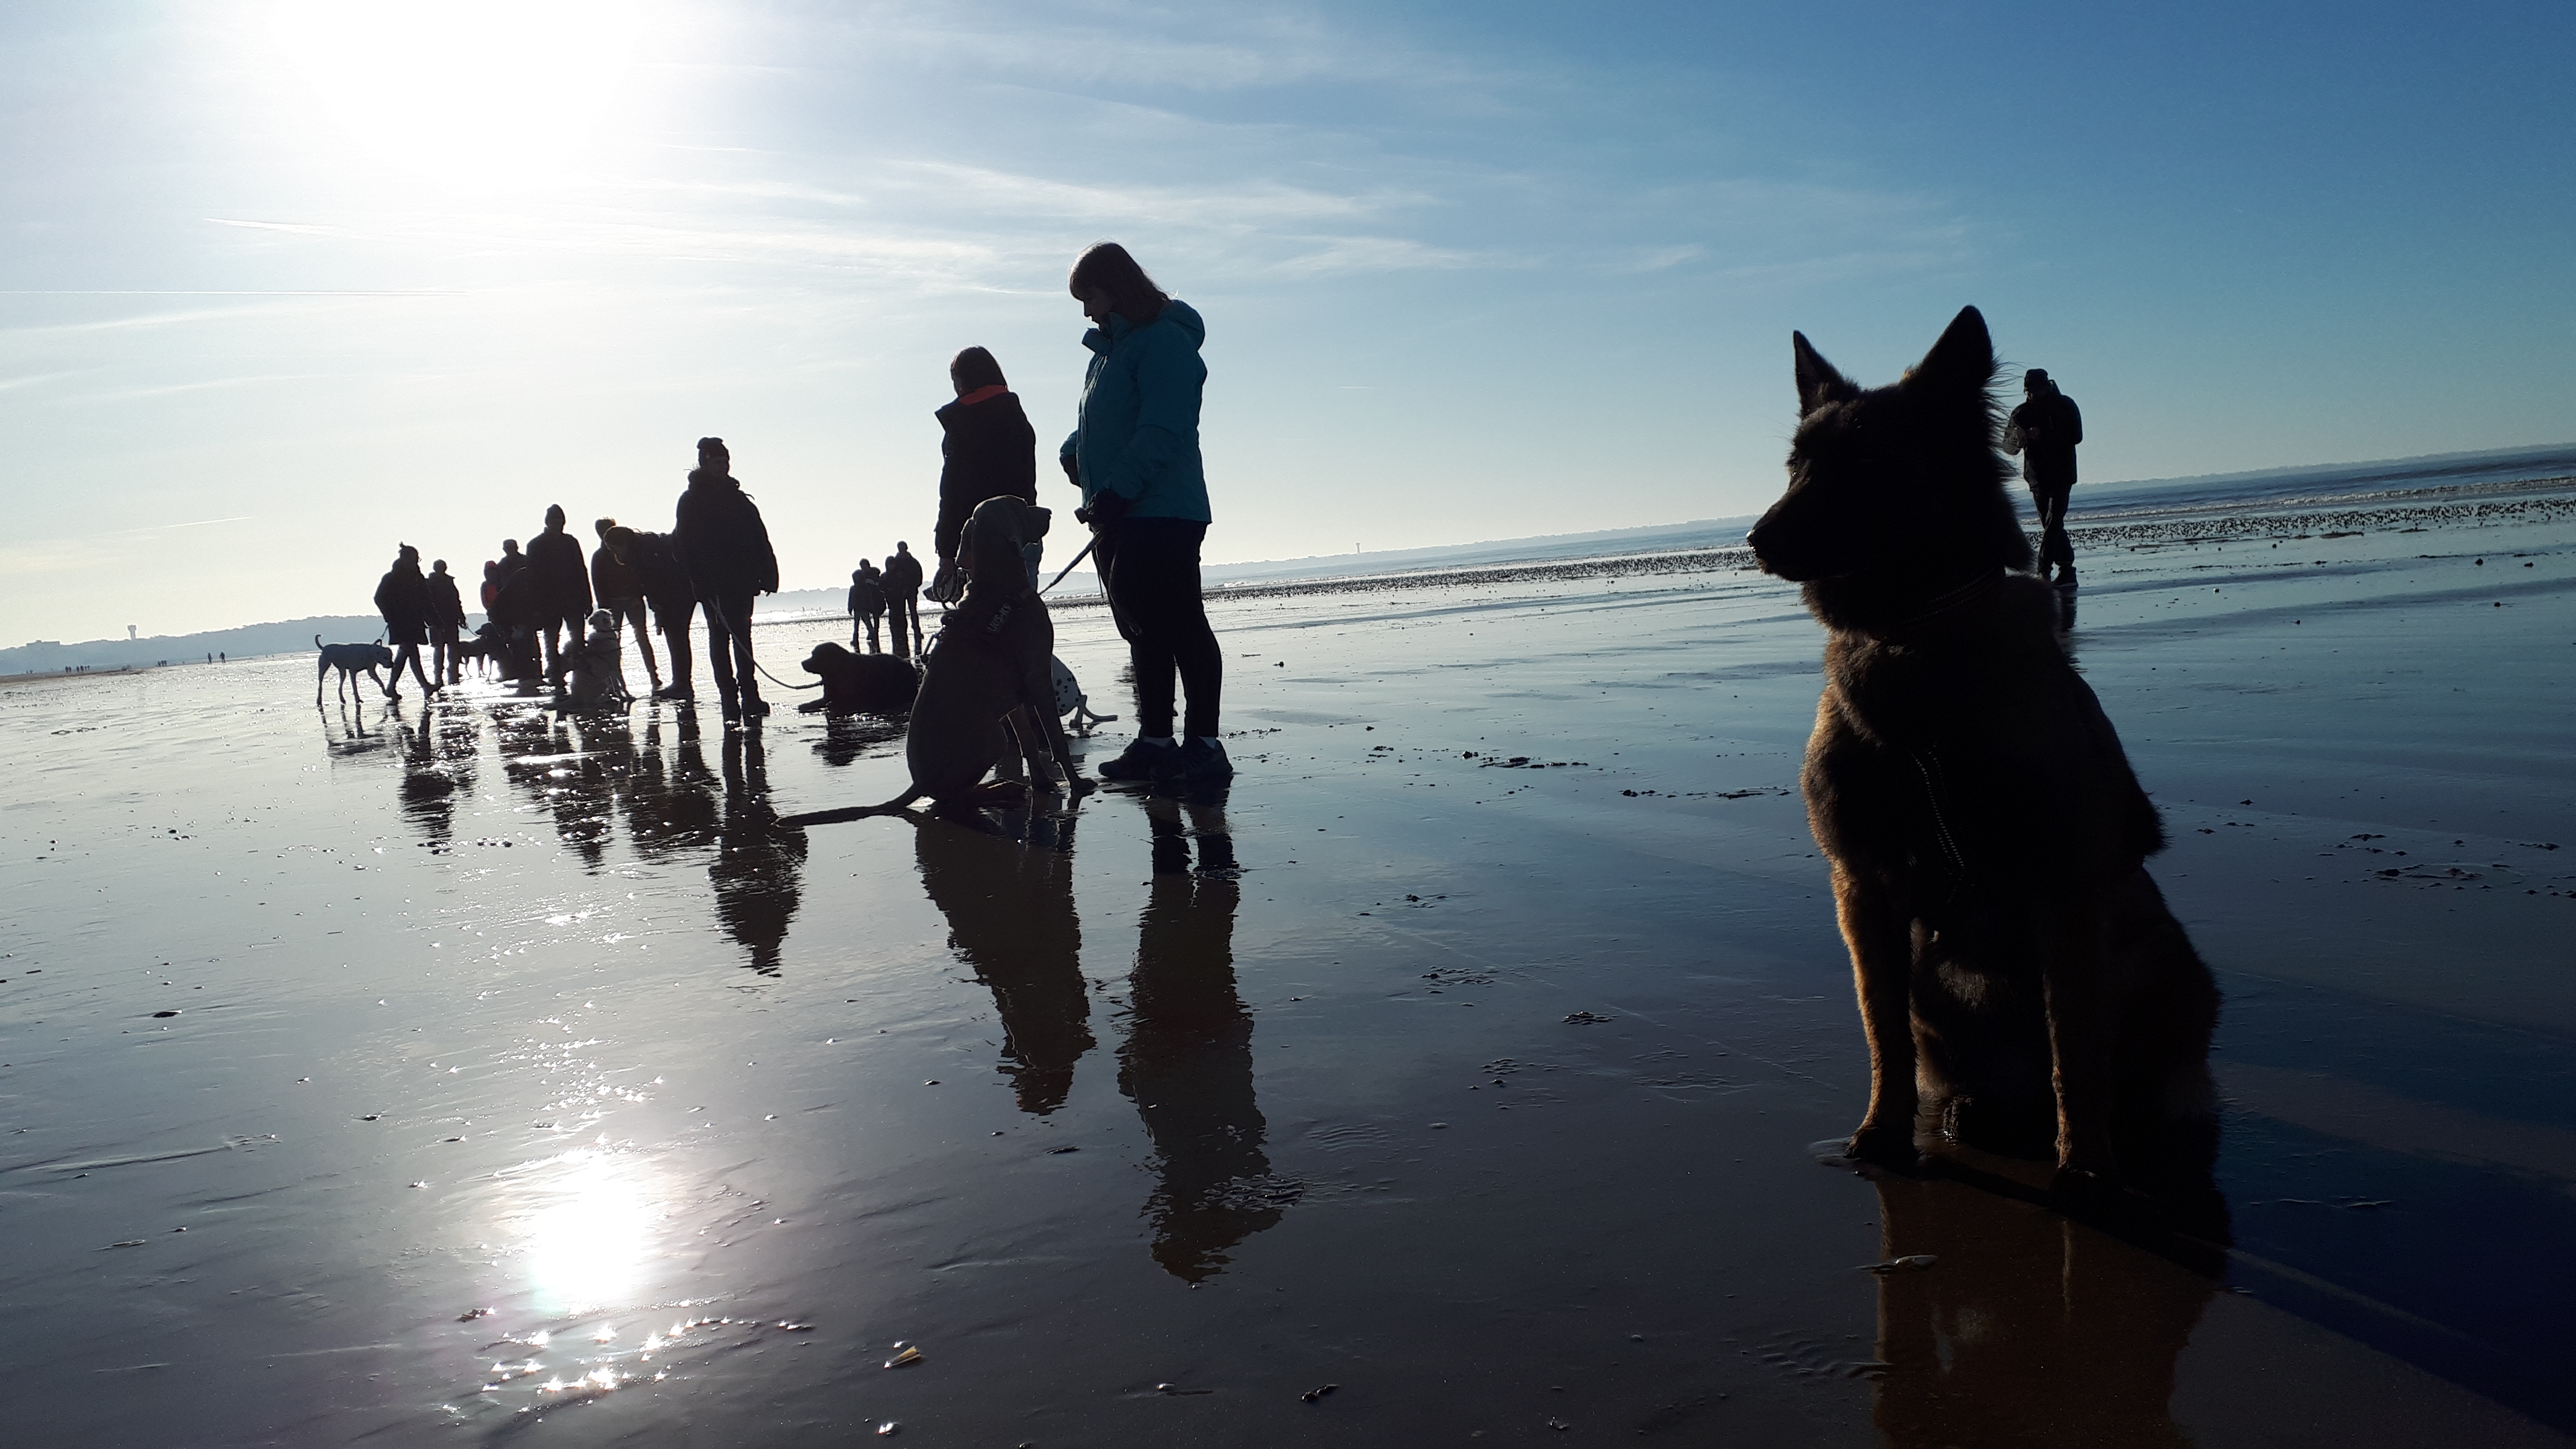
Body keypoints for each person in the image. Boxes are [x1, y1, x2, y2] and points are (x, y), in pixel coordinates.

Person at [1060, 242, 1228, 786]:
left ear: (1118, 286)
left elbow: (1163, 425)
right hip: (1119, 514)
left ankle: (1204, 745)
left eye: (1091, 296)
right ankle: (1155, 741)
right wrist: (1075, 453)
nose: (1087, 310)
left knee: (1181, 626)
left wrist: (1118, 489)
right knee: (1143, 633)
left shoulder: (1165, 343)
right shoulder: (1107, 354)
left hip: (1164, 511)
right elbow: (1105, 422)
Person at [673, 437, 780, 724]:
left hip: (743, 579)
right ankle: (728, 698)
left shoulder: (738, 499)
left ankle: (751, 696)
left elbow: (759, 537)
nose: (724, 467)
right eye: (718, 462)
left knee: (743, 636)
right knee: (721, 639)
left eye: (726, 462)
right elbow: (684, 545)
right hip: (714, 584)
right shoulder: (692, 500)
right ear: (706, 463)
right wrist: (699, 581)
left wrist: (769, 573)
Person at [935, 346, 1041, 596]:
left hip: (980, 539)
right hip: (1022, 530)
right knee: (1022, 619)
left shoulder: (962, 426)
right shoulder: (1017, 418)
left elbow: (953, 492)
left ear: (962, 380)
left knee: (987, 623)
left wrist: (946, 552)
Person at [2002, 367, 2085, 586]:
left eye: (2037, 390)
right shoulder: (2020, 413)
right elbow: (2008, 447)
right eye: (2029, 391)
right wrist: (2019, 438)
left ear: (2047, 386)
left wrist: (2045, 434)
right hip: (2036, 476)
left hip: (2062, 473)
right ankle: (2067, 570)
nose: (2033, 395)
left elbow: (2076, 435)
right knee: (2051, 525)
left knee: (2053, 522)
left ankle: (2044, 571)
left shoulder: (2065, 405)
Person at [602, 524, 698, 700]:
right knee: (679, 638)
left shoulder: (642, 553)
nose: (613, 553)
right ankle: (682, 683)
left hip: (676, 595)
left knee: (677, 638)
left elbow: (655, 581)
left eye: (613, 548)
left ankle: (682, 684)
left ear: (622, 543)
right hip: (683, 592)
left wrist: (658, 607)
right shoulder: (646, 545)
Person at [591, 515, 664, 695]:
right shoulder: (599, 557)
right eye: (601, 532)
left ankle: (653, 676)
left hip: (633, 601)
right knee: (614, 643)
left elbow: (639, 574)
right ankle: (617, 682)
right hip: (612, 606)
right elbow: (598, 584)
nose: (603, 535)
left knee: (642, 638)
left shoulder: (631, 551)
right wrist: (604, 608)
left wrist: (637, 595)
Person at [525, 504, 593, 670]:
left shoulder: (570, 542)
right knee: (551, 641)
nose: (559, 524)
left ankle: (581, 675)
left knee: (578, 640)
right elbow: (532, 578)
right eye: (555, 520)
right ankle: (556, 677)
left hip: (573, 599)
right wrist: (535, 606)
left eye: (561, 520)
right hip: (549, 602)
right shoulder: (535, 545)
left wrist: (587, 600)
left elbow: (581, 570)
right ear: (548, 522)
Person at [372, 543, 436, 699]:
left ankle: (391, 687)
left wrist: (434, 619)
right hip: (399, 621)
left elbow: (426, 599)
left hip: (415, 619)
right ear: (405, 559)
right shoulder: (391, 578)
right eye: (414, 558)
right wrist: (390, 616)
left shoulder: (417, 577)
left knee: (406, 652)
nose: (416, 561)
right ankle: (425, 686)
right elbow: (379, 598)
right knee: (411, 651)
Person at [424, 558, 467, 684]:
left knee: (452, 648)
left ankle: (453, 672)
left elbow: (456, 601)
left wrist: (461, 616)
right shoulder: (429, 583)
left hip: (451, 619)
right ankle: (439, 675)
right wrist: (427, 619)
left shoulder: (449, 582)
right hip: (437, 621)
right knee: (440, 648)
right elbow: (425, 602)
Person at [882, 541, 924, 659]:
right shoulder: (896, 562)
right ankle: (904, 632)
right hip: (899, 592)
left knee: (913, 611)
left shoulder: (913, 562)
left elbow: (919, 576)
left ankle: (916, 631)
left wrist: (913, 586)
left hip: (911, 590)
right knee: (900, 613)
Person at [848, 560, 887, 654]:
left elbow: (869, 598)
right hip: (858, 609)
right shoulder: (854, 588)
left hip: (865, 608)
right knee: (857, 625)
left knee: (867, 624)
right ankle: (856, 639)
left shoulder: (866, 587)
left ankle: (873, 637)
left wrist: (871, 607)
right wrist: (850, 608)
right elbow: (851, 599)